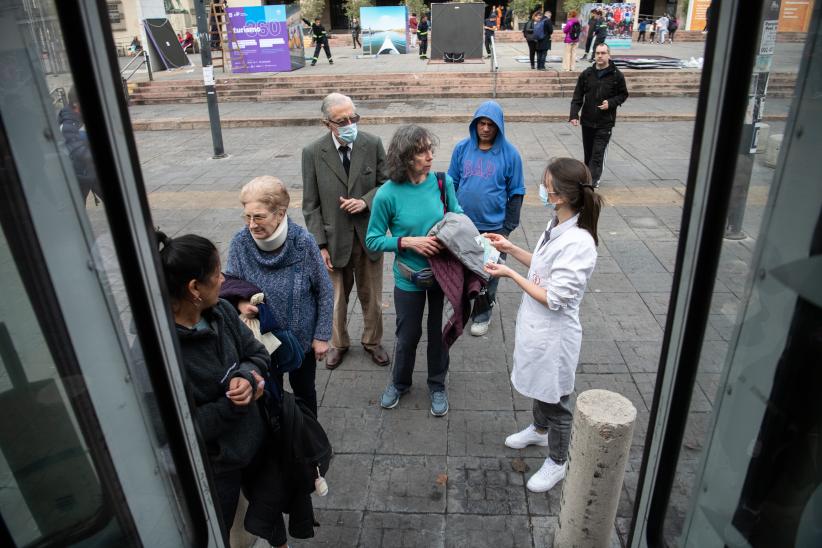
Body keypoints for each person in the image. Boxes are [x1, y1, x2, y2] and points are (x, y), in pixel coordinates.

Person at [484, 157, 602, 493]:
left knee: (557, 401)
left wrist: (508, 273)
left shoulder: (579, 242)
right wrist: (510, 248)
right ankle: (538, 430)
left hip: (555, 334)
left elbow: (555, 298)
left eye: (546, 182)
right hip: (537, 329)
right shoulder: (556, 224)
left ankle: (557, 461)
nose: (541, 187)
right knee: (540, 386)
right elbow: (542, 266)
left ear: (561, 195)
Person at [156, 231, 276, 543]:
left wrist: (247, 378)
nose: (223, 279)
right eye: (216, 273)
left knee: (261, 518)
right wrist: (235, 404)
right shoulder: (158, 352)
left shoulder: (221, 311)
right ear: (195, 288)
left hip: (255, 448)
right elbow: (172, 430)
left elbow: (257, 353)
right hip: (215, 473)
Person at [366, 125, 463, 417]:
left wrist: (451, 233)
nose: (430, 156)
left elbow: (457, 217)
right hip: (408, 280)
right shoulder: (387, 194)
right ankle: (399, 383)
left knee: (439, 334)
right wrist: (407, 242)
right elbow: (372, 239)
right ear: (405, 157)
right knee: (407, 336)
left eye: (430, 149)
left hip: (442, 277)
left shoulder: (443, 183)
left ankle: (437, 385)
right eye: (421, 151)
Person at [226, 176, 334, 417]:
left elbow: (324, 290)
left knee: (304, 392)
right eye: (247, 216)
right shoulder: (240, 243)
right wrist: (241, 302)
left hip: (302, 340)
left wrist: (322, 335)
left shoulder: (303, 242)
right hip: (260, 342)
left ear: (280, 213)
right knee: (267, 395)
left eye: (259, 216)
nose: (251, 224)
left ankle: (309, 441)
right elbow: (229, 285)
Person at [302, 93, 389, 370]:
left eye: (354, 117)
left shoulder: (372, 143)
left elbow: (387, 185)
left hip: (369, 236)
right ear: (327, 123)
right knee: (335, 300)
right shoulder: (313, 153)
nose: (350, 123)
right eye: (342, 121)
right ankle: (338, 344)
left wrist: (365, 201)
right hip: (333, 239)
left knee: (372, 296)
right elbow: (310, 205)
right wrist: (319, 245)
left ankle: (372, 341)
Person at [448, 101, 525, 336]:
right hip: (463, 225)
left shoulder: (510, 154)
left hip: (493, 227)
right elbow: (452, 183)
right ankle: (460, 308)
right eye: (481, 123)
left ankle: (482, 313)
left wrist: (507, 228)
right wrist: (449, 216)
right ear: (475, 124)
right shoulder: (462, 149)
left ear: (498, 127)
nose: (485, 128)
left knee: (489, 273)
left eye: (491, 124)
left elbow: (516, 193)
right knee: (460, 269)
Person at [569, 43, 629, 188]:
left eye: (603, 53)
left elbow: (623, 94)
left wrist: (611, 102)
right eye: (597, 53)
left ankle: (592, 182)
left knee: (598, 153)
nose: (600, 56)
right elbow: (578, 96)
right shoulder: (587, 74)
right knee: (588, 153)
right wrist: (574, 115)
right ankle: (589, 177)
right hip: (588, 121)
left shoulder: (616, 75)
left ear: (609, 55)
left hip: (605, 122)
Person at [58, 87, 102, 204]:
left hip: (89, 170)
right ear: (76, 104)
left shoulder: (80, 118)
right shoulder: (68, 124)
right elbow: (77, 149)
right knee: (77, 205)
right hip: (79, 174)